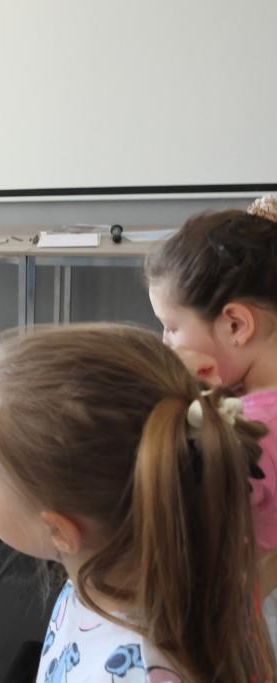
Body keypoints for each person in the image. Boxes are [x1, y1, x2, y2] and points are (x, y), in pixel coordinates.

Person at [0, 324, 274, 681]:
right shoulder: (174, 559)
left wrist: (15, 505)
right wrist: (16, 505)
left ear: (59, 530)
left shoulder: (139, 669)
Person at [145, 195, 277, 638]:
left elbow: (160, 514)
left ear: (236, 325)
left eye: (171, 326)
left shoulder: (249, 433)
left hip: (223, 629)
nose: (165, 343)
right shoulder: (247, 395)